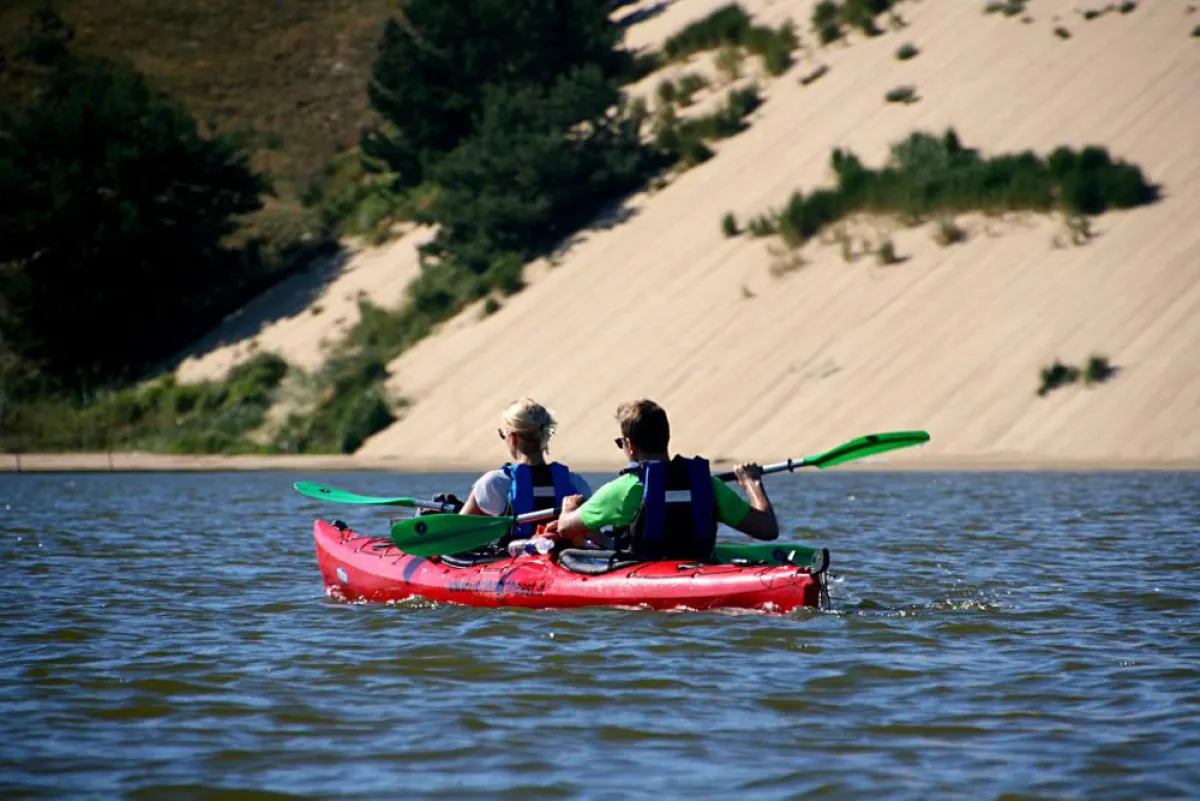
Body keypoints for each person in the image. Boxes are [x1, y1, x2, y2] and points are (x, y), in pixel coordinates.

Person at [546, 399, 778, 559]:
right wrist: (751, 483)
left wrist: (569, 508)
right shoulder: (707, 485)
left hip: (645, 575)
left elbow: (566, 528)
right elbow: (767, 529)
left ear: (630, 445)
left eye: (621, 443)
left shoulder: (623, 489)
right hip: (699, 567)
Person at [457, 398, 592, 543]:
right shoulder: (577, 484)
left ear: (513, 437)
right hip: (564, 560)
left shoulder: (494, 484)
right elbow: (592, 537)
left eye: (504, 434)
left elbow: (457, 534)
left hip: (515, 562)